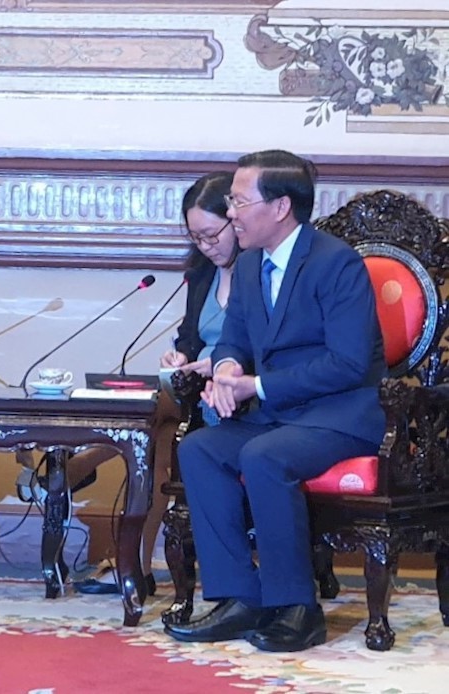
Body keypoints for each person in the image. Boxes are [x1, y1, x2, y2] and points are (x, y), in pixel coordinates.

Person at [164, 150, 386, 652]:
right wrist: (225, 370)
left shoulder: (337, 264)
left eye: (239, 201)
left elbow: (349, 364)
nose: (233, 212)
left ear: (280, 206)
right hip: (277, 417)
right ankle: (240, 598)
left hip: (339, 416)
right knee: (199, 450)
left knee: (263, 456)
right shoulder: (248, 267)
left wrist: (256, 387)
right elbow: (234, 340)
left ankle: (296, 608)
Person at [17, 171, 239, 594]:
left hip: (233, 397)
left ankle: (74, 469)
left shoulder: (259, 274)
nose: (206, 246)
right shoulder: (203, 276)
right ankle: (133, 565)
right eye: (196, 237)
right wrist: (182, 357)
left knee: (157, 429)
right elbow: (189, 338)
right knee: (157, 431)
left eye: (212, 235)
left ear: (235, 220)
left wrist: (218, 364)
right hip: (195, 394)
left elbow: (259, 344)